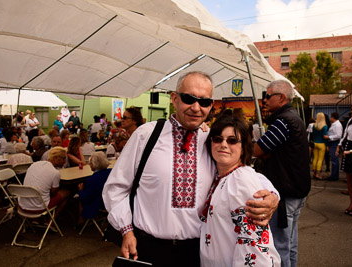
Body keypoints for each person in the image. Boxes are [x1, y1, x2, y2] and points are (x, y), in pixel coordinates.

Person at [102, 71, 279, 267]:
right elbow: (116, 187)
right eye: (189, 99)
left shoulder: (213, 140)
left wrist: (272, 195)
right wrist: (126, 231)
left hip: (196, 253)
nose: (196, 108)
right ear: (175, 99)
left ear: (211, 105)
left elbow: (240, 171)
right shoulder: (146, 135)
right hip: (148, 248)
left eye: (204, 102)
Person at [200, 110, 280, 266]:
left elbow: (254, 245)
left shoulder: (241, 180)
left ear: (243, 147)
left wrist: (273, 195)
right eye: (218, 139)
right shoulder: (222, 176)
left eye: (232, 140)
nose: (223, 144)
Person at [253, 80, 311, 267]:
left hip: (285, 193)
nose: (265, 100)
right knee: (290, 244)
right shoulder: (292, 118)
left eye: (268, 96)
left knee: (279, 247)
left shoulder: (283, 121)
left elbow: (258, 149)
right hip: (296, 190)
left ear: (281, 97)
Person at [18, 147, 70, 221]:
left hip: (22, 206)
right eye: (63, 158)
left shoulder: (34, 165)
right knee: (67, 192)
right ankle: (51, 221)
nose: (65, 161)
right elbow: (53, 193)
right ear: (55, 158)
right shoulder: (55, 173)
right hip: (38, 208)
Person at [77, 151, 111, 225]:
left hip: (99, 203)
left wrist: (80, 190)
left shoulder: (92, 179)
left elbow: (85, 198)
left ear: (94, 164)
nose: (89, 164)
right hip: (110, 200)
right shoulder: (111, 172)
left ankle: (81, 221)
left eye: (90, 163)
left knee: (80, 198)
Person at [323, 112, 343, 181]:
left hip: (334, 143)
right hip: (332, 142)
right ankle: (333, 175)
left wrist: (328, 137)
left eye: (331, 117)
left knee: (334, 159)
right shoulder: (334, 124)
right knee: (333, 159)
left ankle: (334, 176)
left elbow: (338, 135)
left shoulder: (337, 125)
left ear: (333, 117)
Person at [311, 112, 328, 179]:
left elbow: (313, 135)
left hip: (315, 143)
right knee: (320, 160)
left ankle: (314, 173)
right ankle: (318, 174)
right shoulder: (324, 126)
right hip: (322, 144)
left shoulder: (314, 125)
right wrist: (327, 145)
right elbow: (325, 136)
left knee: (315, 158)